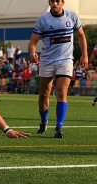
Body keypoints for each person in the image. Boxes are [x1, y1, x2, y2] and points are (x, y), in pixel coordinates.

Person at [28, 0, 88, 138]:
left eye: (57, 1)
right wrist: (32, 52)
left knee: (61, 91)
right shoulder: (43, 19)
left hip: (65, 61)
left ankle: (59, 127)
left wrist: (84, 55)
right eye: (52, 1)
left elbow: (80, 35)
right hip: (47, 61)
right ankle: (44, 121)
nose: (55, 4)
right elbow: (33, 41)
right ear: (49, 2)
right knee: (44, 94)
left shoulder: (72, 16)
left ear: (62, 2)